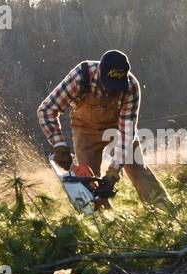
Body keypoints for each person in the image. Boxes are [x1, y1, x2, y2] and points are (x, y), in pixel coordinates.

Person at [37, 50, 173, 210]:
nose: (112, 91)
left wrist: (112, 174)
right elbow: (46, 110)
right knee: (89, 183)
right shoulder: (82, 76)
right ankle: (105, 224)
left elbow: (127, 133)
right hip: (84, 129)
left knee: (137, 169)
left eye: (117, 87)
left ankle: (165, 212)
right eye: (109, 85)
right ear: (100, 73)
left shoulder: (131, 88)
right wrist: (60, 146)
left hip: (117, 128)